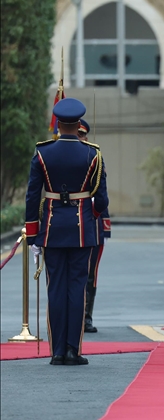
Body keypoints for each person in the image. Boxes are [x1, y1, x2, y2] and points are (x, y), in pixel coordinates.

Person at [25, 97, 108, 365]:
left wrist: (32, 232)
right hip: (82, 229)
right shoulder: (93, 154)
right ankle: (73, 349)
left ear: (58, 124)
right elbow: (102, 200)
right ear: (77, 124)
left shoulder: (42, 153)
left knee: (56, 289)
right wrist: (91, 215)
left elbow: (32, 196)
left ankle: (58, 352)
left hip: (51, 229)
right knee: (77, 289)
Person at [77, 119, 111, 334]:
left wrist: (103, 224)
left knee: (90, 273)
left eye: (82, 135)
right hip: (69, 222)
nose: (79, 138)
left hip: (92, 221)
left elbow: (101, 194)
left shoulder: (94, 157)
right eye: (76, 134)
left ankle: (86, 317)